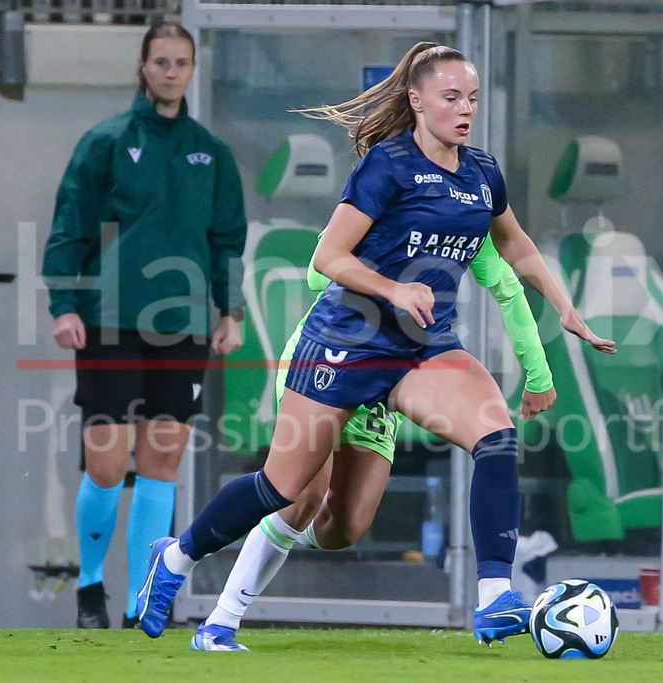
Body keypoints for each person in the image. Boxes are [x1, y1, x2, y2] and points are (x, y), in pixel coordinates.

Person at [135, 42, 614, 646]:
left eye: (471, 98)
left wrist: (564, 306)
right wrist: (393, 288)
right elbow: (327, 259)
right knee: (283, 490)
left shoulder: (482, 172)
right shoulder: (386, 166)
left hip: (423, 347)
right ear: (416, 101)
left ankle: (495, 598)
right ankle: (176, 558)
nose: (465, 110)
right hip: (346, 341)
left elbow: (514, 244)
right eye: (450, 98)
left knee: (493, 435)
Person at [190, 232, 556, 651]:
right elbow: (317, 273)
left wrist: (538, 372)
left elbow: (507, 285)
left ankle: (275, 531)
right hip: (331, 353)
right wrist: (388, 273)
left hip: (394, 368)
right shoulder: (378, 195)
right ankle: (216, 618)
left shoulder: (466, 212)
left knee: (343, 527)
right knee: (298, 497)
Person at [41, 22, 247, 629]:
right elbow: (69, 229)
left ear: (191, 70)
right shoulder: (104, 142)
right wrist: (64, 305)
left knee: (162, 462)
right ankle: (90, 587)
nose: (172, 71)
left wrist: (229, 310)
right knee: (106, 463)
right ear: (142, 66)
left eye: (182, 62)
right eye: (161, 61)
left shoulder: (211, 152)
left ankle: (140, 605)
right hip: (107, 320)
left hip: (182, 326)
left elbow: (226, 241)